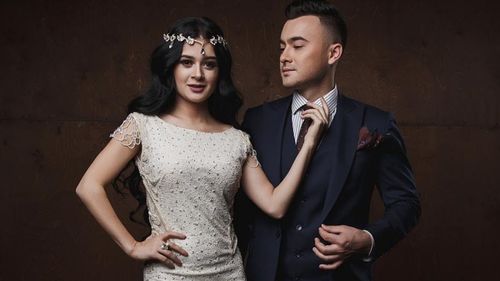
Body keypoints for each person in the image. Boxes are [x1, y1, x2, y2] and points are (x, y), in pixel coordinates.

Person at [75, 17, 328, 281]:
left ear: (219, 72)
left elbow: (276, 205)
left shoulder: (236, 139)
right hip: (170, 274)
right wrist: (133, 246)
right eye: (187, 62)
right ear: (171, 67)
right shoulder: (143, 126)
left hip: (229, 273)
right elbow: (89, 185)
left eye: (209, 64)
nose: (198, 74)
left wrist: (309, 143)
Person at [236, 1, 421, 280]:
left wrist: (366, 239)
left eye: (297, 46)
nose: (284, 56)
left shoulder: (376, 124)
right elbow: (240, 212)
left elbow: (407, 203)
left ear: (333, 52)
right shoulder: (257, 121)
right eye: (282, 47)